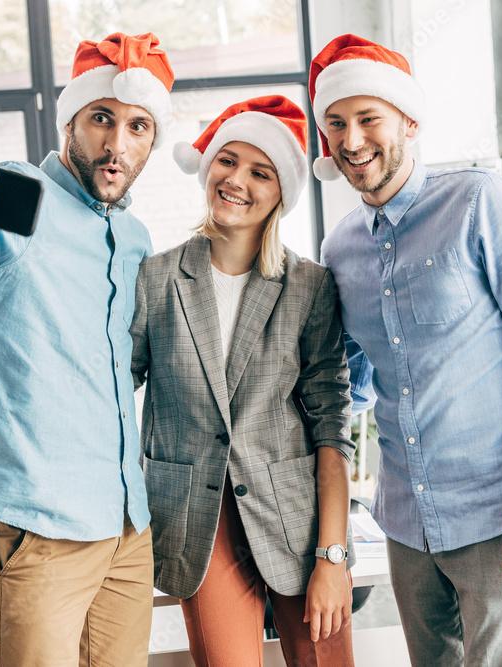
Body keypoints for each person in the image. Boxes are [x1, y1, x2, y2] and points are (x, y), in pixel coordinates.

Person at [311, 34, 502, 666]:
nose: (352, 139)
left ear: (409, 122)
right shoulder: (340, 251)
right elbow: (354, 383)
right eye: (336, 123)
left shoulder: (482, 204)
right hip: (406, 528)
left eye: (369, 119)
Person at [0, 33, 174, 667]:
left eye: (138, 127)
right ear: (71, 121)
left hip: (126, 527)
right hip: (38, 524)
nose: (116, 144)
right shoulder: (19, 195)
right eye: (102, 119)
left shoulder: (132, 237)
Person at [129, 95, 357, 667]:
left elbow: (333, 428)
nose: (237, 180)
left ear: (282, 192)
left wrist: (332, 556)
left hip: (299, 523)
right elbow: (111, 389)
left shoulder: (309, 286)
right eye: (227, 161)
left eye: (261, 172)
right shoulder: (156, 279)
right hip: (197, 526)